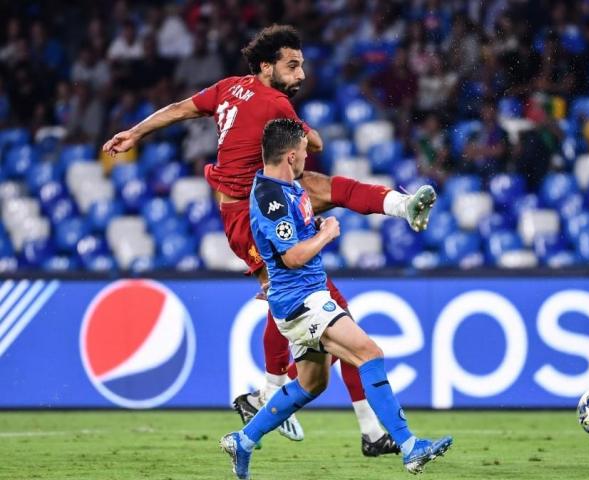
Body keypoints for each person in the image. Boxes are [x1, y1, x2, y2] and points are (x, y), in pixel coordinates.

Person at [102, 24, 437, 455]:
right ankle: (272, 394)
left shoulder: (228, 87)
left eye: (302, 65)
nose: (301, 75)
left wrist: (135, 132)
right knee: (305, 299)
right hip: (250, 212)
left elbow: (180, 108)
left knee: (331, 197)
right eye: (292, 66)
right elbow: (310, 141)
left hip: (268, 191)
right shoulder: (275, 103)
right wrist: (303, 128)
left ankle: (402, 206)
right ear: (267, 66)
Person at [220, 118, 452, 479]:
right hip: (303, 302)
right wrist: (327, 233)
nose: (306, 161)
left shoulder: (288, 189)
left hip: (303, 296)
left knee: (313, 383)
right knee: (369, 354)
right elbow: (293, 256)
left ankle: (243, 440)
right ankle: (409, 446)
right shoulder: (271, 199)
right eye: (303, 154)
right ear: (291, 154)